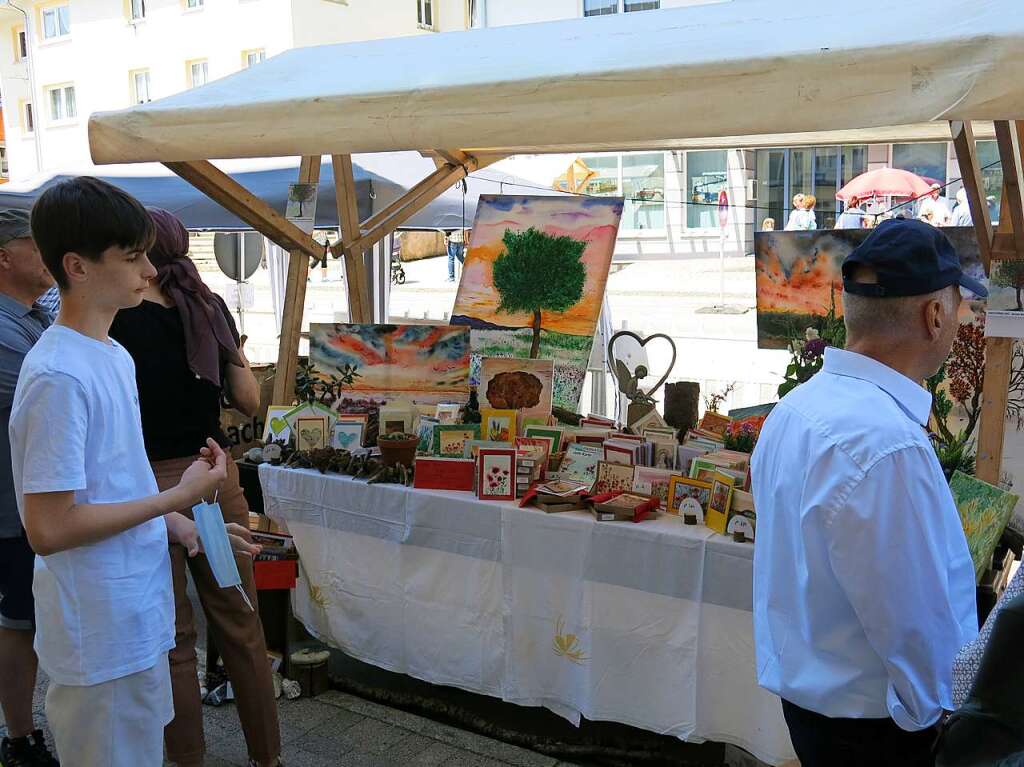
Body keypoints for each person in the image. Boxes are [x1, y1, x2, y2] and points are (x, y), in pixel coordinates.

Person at [9, 177, 257, 766]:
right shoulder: (58, 376)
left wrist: (180, 524)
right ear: (78, 266)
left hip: (135, 615)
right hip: (98, 629)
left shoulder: (112, 354)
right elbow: (48, 527)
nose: (151, 271)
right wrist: (177, 498)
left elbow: (111, 479)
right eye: (132, 256)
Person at [751, 219, 984, 766]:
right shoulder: (885, 444)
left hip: (817, 711)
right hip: (876, 733)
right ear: (934, 315)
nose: (963, 319)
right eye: (958, 305)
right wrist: (944, 722)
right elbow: (915, 626)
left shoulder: (795, 409)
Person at [109, 208, 282, 767]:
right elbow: (250, 400)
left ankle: (187, 760)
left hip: (148, 488)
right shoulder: (207, 306)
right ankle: (267, 758)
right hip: (214, 478)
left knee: (174, 640)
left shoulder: (115, 315)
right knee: (240, 623)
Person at [0, 209, 60, 766]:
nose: (44, 254)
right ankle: (19, 737)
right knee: (18, 624)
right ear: (4, 257)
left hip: (26, 504)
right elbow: (51, 397)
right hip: (11, 511)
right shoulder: (3, 328)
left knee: (26, 620)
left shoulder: (30, 315)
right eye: (32, 244)